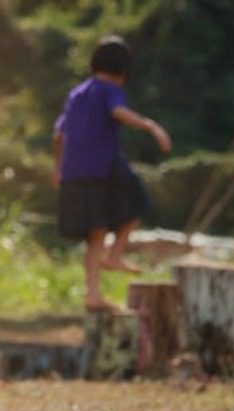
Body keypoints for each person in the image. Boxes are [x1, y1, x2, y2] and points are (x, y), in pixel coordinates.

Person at [52, 36, 172, 311]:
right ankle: (115, 254)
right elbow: (119, 112)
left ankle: (93, 294)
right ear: (123, 69)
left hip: (74, 170)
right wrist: (152, 127)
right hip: (102, 168)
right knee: (138, 202)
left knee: (96, 233)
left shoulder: (77, 93)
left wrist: (57, 168)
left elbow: (59, 134)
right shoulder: (109, 90)